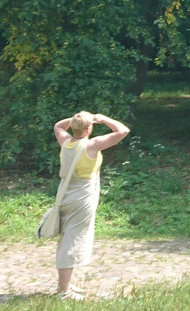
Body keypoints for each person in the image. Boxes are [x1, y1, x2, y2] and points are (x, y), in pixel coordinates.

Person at [52, 111, 130, 300]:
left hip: (65, 192)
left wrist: (75, 120)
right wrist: (103, 119)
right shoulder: (91, 145)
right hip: (82, 195)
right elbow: (123, 130)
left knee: (68, 238)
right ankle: (64, 292)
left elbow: (58, 126)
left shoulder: (66, 142)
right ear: (89, 129)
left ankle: (66, 286)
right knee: (71, 241)